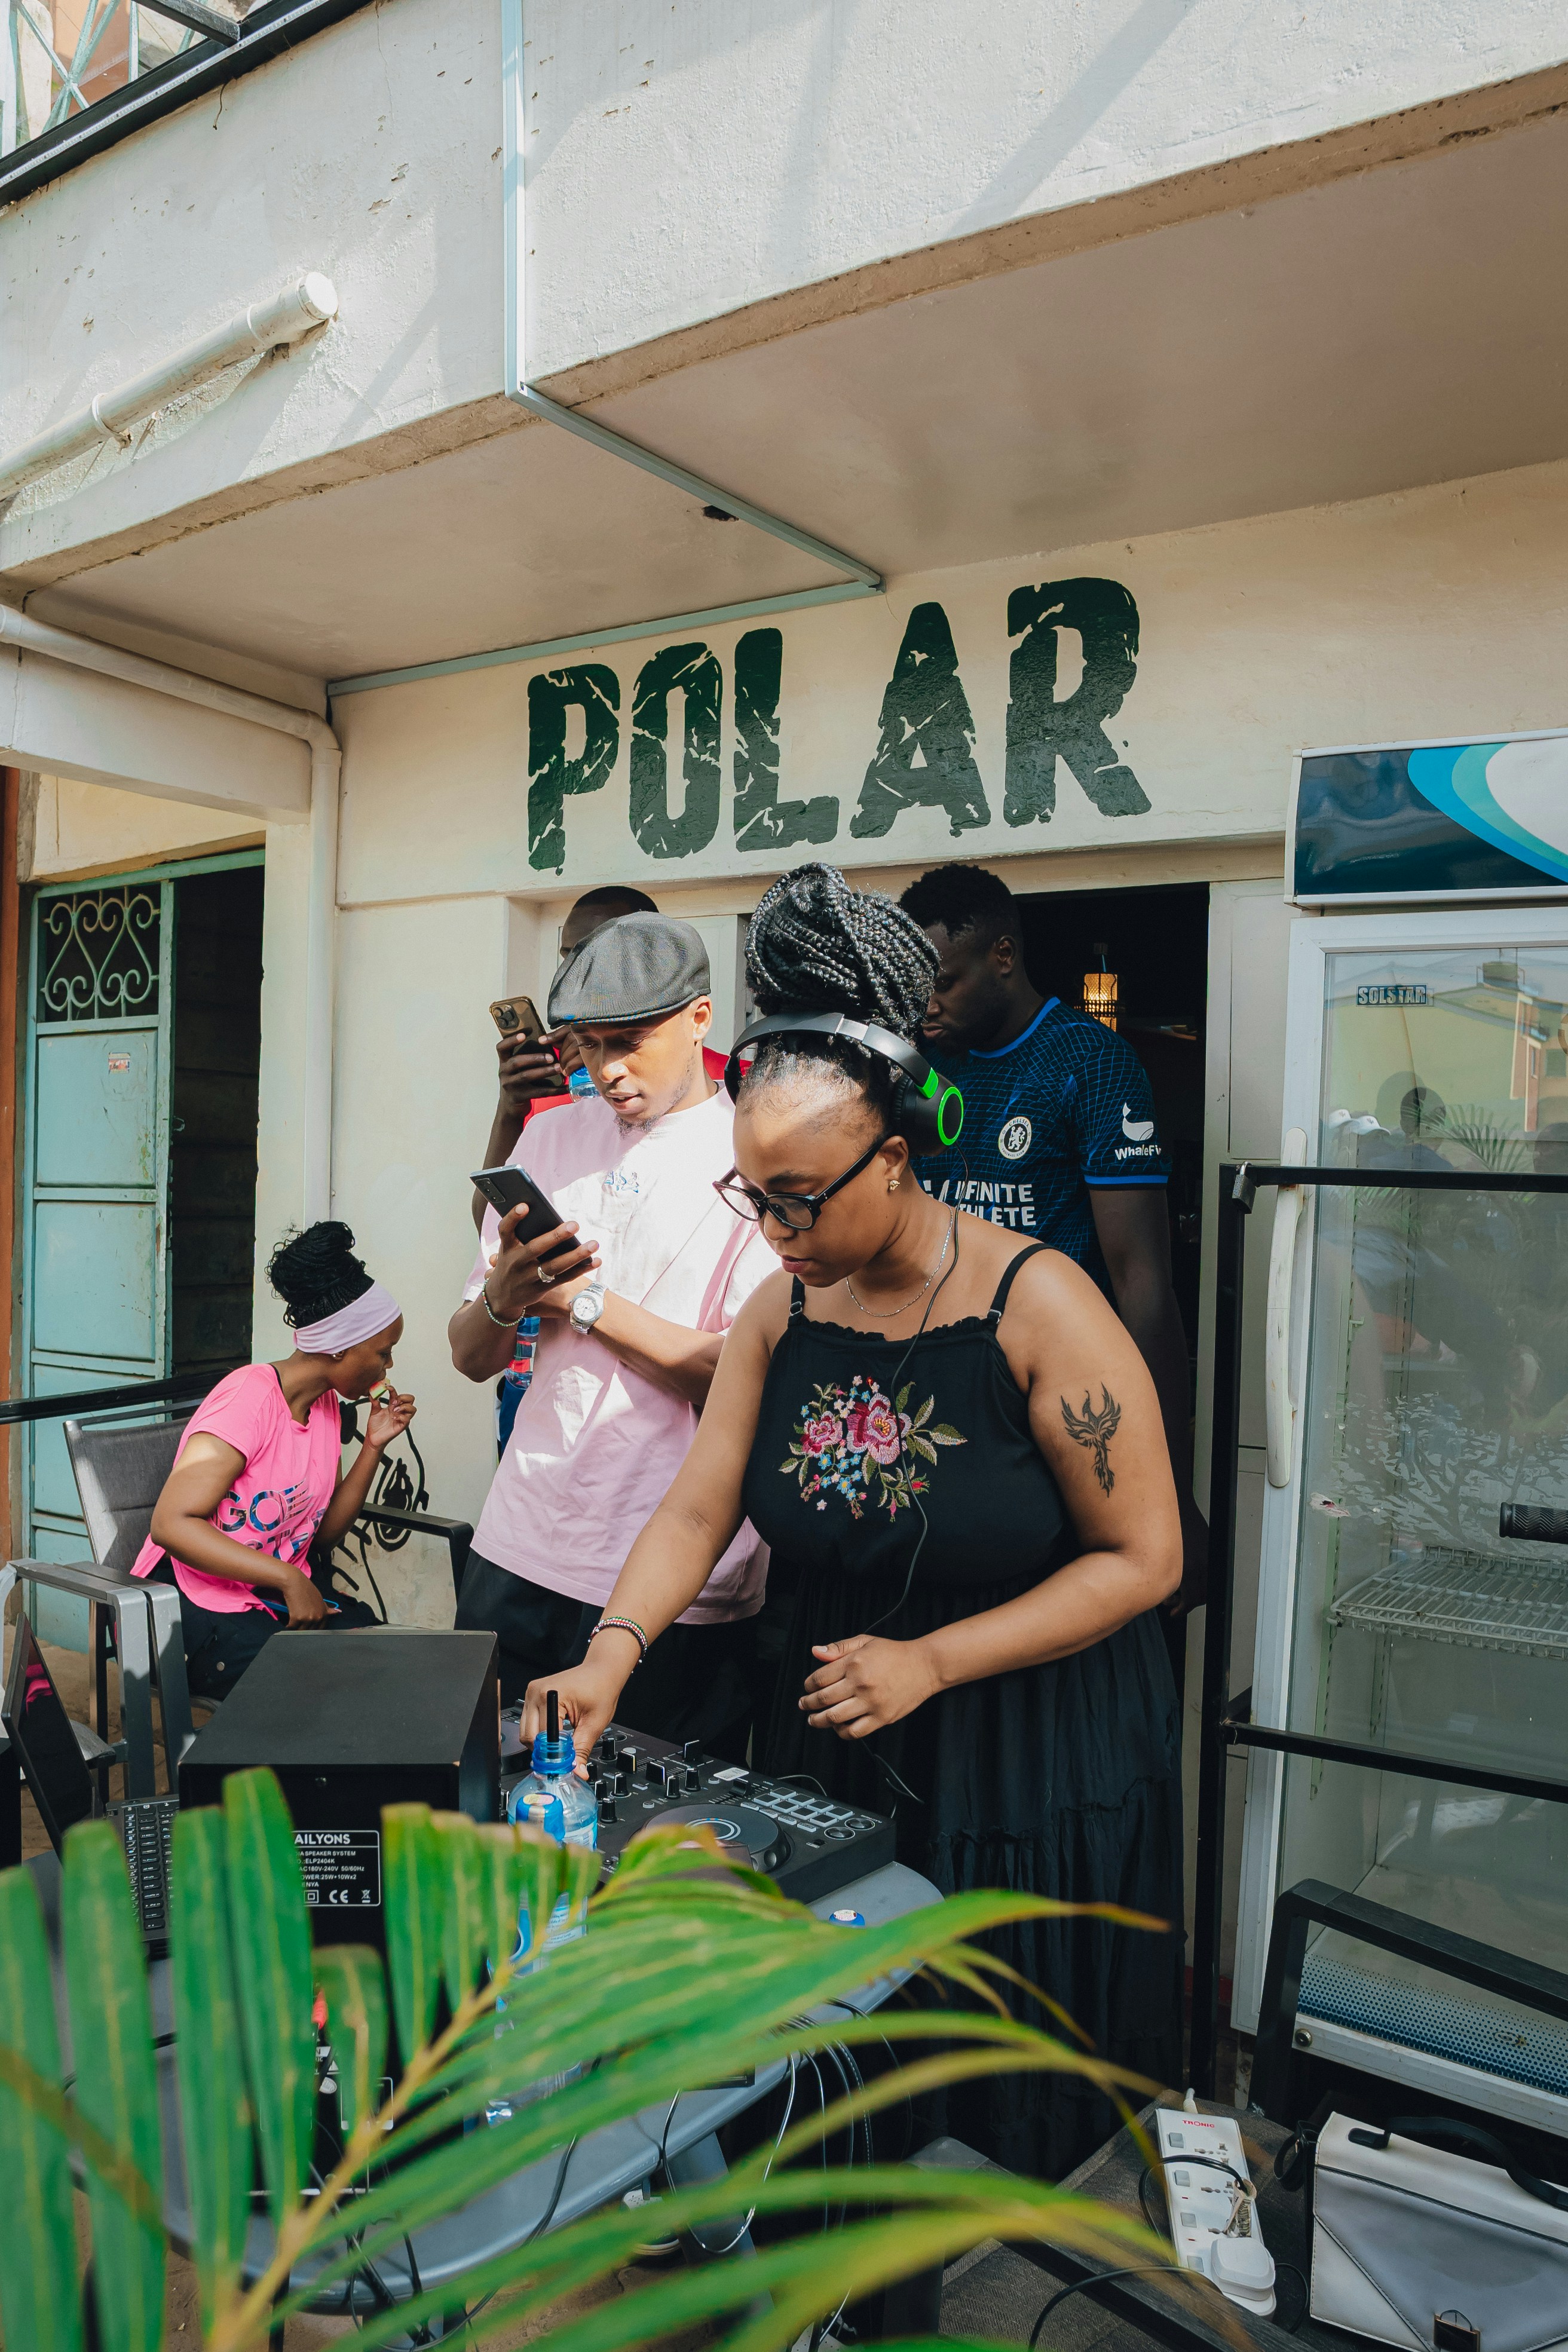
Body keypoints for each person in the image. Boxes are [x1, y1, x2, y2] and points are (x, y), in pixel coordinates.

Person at [526, 863, 1184, 2178]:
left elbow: (1146, 1558)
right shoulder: (787, 1311)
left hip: (1019, 1742)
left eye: (799, 1197)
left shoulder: (1040, 1308)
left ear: (896, 1154)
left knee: (980, 2122)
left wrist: (934, 1660)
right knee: (834, 2093)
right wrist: (611, 1653)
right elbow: (700, 1502)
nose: (772, 1232)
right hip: (832, 1724)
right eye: (751, 1195)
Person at [449, 912, 775, 1755]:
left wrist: (580, 1302)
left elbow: (738, 1374)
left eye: (630, 1040)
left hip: (670, 1572)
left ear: (701, 1019)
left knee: (650, 1831)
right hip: (520, 1539)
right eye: (589, 1044)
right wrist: (505, 1297)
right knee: (490, 1794)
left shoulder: (756, 1156)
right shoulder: (552, 1135)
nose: (608, 1068)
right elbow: (468, 1356)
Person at [897, 862, 1205, 1613]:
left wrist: (1168, 1485)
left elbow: (1142, 1283)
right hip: (928, 1394)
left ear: (1002, 956)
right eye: (915, 984)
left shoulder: (1089, 1063)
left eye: (943, 979)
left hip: (1050, 1400)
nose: (926, 1004)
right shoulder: (917, 1064)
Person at [131, 1222, 416, 1696]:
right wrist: (287, 1577)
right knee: (335, 1687)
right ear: (340, 1346)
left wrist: (373, 1446)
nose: (387, 1368)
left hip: (266, 1597)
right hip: (187, 1603)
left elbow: (322, 1533)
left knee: (385, 1657)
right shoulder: (249, 1398)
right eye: (384, 1354)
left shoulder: (324, 1406)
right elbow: (172, 1524)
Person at [472, 885, 732, 1232]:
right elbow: (494, 1230)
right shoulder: (547, 1096)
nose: (609, 1071)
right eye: (573, 956)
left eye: (632, 1041)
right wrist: (510, 1110)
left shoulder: (740, 1096)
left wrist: (576, 1290)